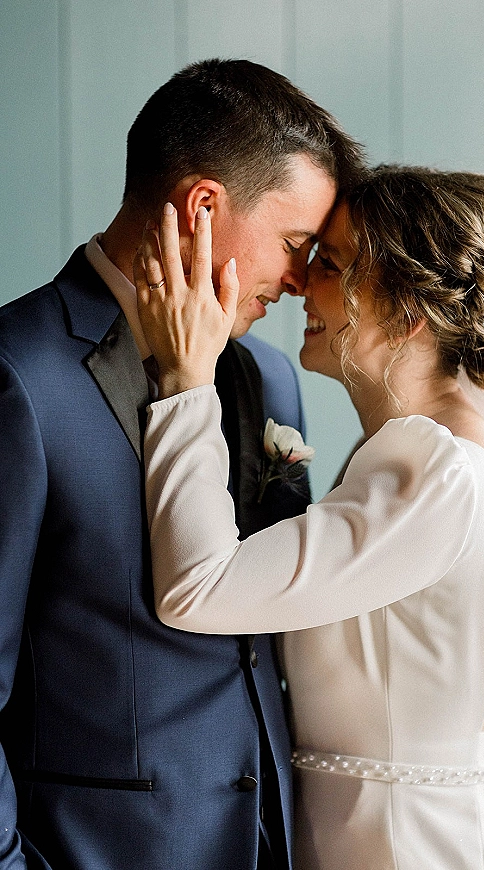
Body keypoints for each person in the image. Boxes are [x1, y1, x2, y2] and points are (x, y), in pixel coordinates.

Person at [135, 165, 484, 869]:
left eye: (332, 264)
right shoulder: (441, 453)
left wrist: (186, 382)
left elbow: (200, 589)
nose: (298, 281)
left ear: (407, 313)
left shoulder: (443, 468)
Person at [0, 59, 365, 869]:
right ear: (203, 206)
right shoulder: (18, 376)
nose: (303, 281)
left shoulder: (269, 378)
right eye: (294, 243)